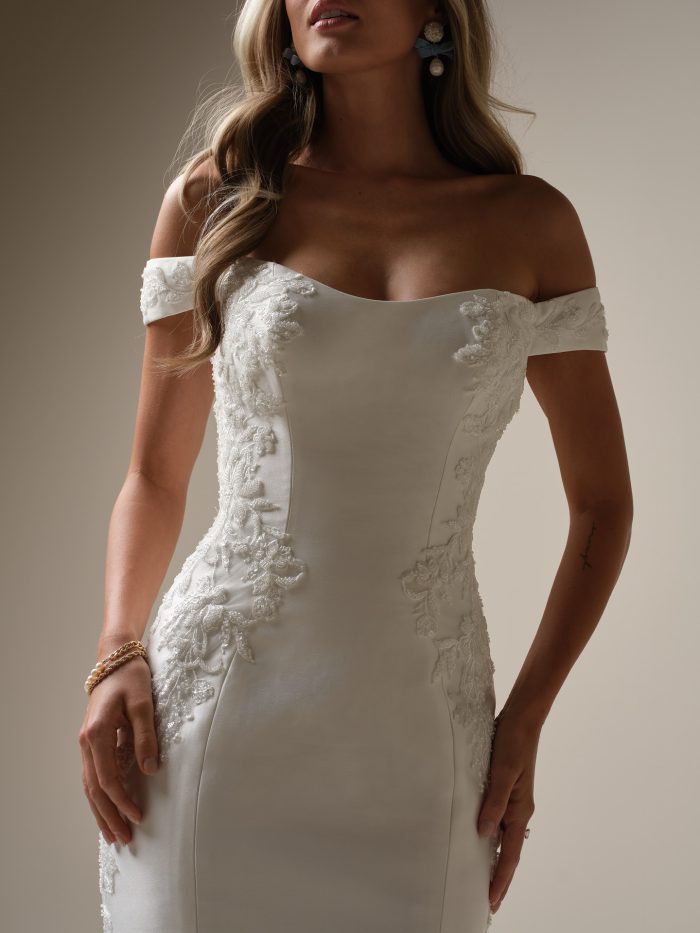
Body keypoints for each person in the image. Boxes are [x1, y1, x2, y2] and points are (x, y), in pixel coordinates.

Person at [78, 2, 634, 931]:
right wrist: (115, 651)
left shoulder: (531, 222)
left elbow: (603, 504)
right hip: (217, 719)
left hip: (421, 737)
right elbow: (154, 475)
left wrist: (526, 720)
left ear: (432, 12)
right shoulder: (216, 197)